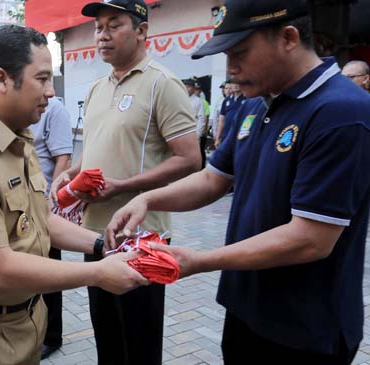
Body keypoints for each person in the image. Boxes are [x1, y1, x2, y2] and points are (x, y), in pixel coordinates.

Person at [107, 0, 370, 363]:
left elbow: (311, 239)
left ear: (289, 38)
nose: (231, 70)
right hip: (246, 308)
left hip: (305, 327)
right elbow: (213, 179)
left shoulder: (341, 112)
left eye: (240, 54)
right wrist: (148, 200)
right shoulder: (254, 104)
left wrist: (199, 260)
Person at [0, 24, 147, 365]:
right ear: (1, 80)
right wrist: (98, 273)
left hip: (22, 317)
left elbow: (39, 217)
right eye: (41, 79)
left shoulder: (17, 137)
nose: (51, 92)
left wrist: (102, 245)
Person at [49, 1, 201, 364]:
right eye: (98, 27)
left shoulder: (162, 84)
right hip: (94, 234)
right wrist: (73, 173)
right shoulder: (97, 87)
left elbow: (191, 158)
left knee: (140, 341)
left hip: (141, 237)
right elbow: (97, 146)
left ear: (142, 31)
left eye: (113, 25)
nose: (102, 35)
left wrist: (125, 185)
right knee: (108, 338)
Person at [28, 96, 73, 359]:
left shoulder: (54, 108)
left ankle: (52, 335)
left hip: (45, 203)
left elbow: (63, 157)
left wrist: (51, 198)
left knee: (49, 270)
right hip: (22, 203)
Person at [183, 78, 207, 169]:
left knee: (193, 156)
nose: (187, 88)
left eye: (189, 87)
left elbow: (201, 118)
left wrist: (198, 134)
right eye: (185, 86)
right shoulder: (180, 99)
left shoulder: (198, 101)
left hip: (193, 132)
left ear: (193, 88)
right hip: (181, 132)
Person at [215, 80, 245, 148]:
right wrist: (217, 137)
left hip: (240, 136)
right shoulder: (226, 100)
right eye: (233, 83)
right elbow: (221, 120)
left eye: (237, 82)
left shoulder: (248, 99)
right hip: (226, 136)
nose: (235, 85)